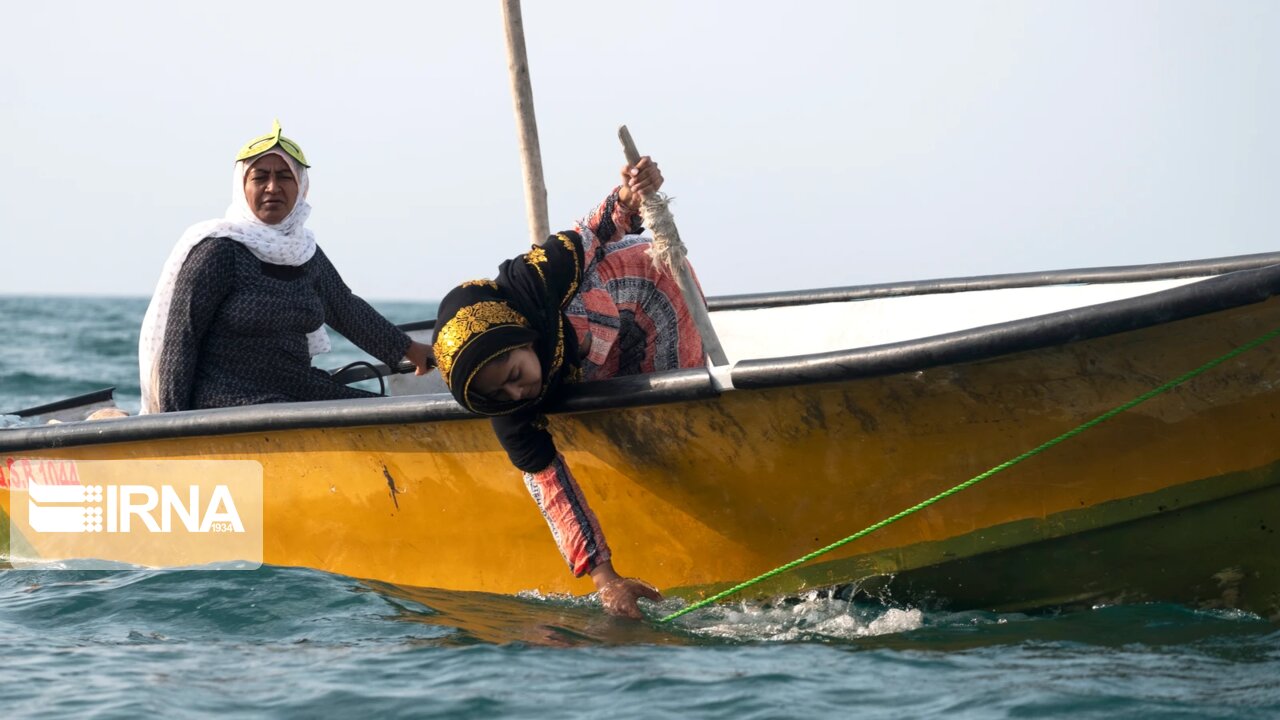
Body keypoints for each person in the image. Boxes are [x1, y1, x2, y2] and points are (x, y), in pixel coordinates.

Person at [432, 157, 706, 619]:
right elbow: (552, 489)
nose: (516, 395)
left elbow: (594, 229)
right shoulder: (503, 406)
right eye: (501, 395)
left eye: (516, 376)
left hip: (653, 290)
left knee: (668, 414)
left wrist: (629, 195)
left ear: (523, 339)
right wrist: (608, 580)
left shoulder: (534, 281)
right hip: (596, 360)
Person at [138, 121, 432, 414]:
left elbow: (345, 308)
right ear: (242, 187)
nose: (272, 187)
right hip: (225, 400)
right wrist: (171, 423)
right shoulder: (218, 250)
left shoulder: (305, 253)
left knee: (393, 412)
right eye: (260, 177)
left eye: (284, 177)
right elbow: (180, 340)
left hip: (297, 389)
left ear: (301, 186)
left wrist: (410, 350)